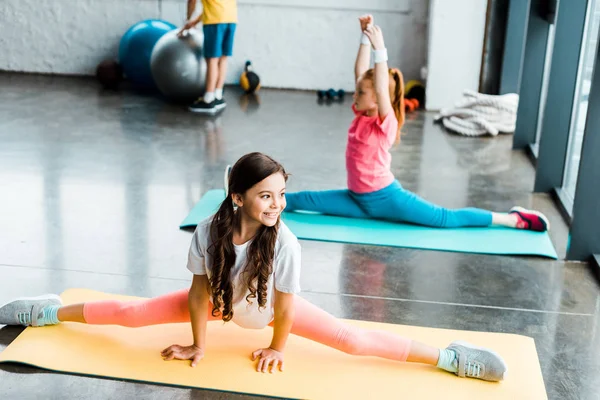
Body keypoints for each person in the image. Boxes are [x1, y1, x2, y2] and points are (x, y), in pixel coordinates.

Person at [0, 152, 507, 381]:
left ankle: (448, 356)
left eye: (282, 195)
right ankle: (49, 313)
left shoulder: (285, 243)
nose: (277, 205)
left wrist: (275, 347)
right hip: (222, 306)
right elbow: (199, 294)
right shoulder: (208, 230)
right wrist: (199, 341)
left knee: (352, 342)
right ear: (238, 198)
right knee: (133, 315)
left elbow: (285, 310)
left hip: (266, 314)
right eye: (266, 196)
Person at [284, 15, 549, 232]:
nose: (355, 94)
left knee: (445, 219)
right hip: (355, 198)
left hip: (385, 197)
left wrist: (380, 49)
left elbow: (376, 83)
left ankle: (513, 219)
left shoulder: (383, 123)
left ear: (378, 99)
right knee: (299, 200)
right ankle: (247, 204)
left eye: (361, 93)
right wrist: (364, 38)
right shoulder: (361, 114)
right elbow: (361, 74)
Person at [180, 0, 238, 114]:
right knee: (223, 57)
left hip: (215, 21)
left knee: (212, 59)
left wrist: (188, 18)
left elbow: (192, 1)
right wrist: (194, 22)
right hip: (231, 18)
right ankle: (218, 96)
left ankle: (208, 99)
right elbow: (214, 7)